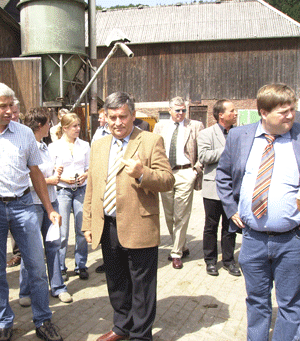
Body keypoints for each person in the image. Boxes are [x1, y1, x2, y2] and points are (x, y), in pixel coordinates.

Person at [0, 82, 63, 341]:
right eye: (3, 106)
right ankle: (5, 322)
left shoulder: (24, 134)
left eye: (12, 105)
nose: (10, 111)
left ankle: (43, 320)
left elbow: (35, 173)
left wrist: (49, 208)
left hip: (23, 206)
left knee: (36, 267)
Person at [83, 92, 174, 341]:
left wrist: (143, 173)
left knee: (142, 287)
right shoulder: (99, 145)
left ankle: (141, 335)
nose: (117, 122)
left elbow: (167, 180)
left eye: (123, 116)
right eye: (112, 117)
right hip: (108, 225)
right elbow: (93, 186)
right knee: (116, 282)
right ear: (105, 117)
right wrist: (87, 222)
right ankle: (121, 326)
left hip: (139, 225)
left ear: (133, 115)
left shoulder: (150, 140)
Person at [216, 83, 300, 341]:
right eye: (283, 112)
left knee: (290, 305)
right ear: (263, 112)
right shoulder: (240, 137)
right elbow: (223, 175)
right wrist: (231, 209)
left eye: (292, 110)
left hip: (292, 240)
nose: (290, 116)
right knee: (257, 301)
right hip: (252, 240)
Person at [19, 107, 72, 305]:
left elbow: (46, 175)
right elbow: (23, 181)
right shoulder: (25, 147)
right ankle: (25, 291)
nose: (51, 126)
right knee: (30, 249)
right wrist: (48, 181)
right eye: (49, 123)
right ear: (40, 126)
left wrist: (54, 173)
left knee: (53, 245)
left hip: (52, 202)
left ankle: (57, 286)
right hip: (32, 204)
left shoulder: (44, 147)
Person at [153, 97, 204, 269]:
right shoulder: (160, 127)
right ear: (170, 111)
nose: (181, 113)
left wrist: (195, 170)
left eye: (183, 110)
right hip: (166, 173)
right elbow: (154, 150)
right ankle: (181, 244)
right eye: (177, 110)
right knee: (169, 214)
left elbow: (203, 150)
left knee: (181, 214)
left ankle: (176, 253)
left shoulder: (195, 126)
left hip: (185, 172)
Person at [198, 100, 241, 277]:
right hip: (213, 187)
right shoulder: (206, 134)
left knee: (230, 226)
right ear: (221, 115)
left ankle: (229, 261)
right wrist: (227, 149)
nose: (236, 113)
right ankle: (210, 260)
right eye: (232, 111)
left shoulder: (239, 133)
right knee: (211, 225)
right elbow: (203, 156)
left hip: (233, 188)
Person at [48, 113, 90, 281]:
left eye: (79, 125)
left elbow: (89, 167)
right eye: (74, 126)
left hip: (80, 190)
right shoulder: (54, 147)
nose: (78, 129)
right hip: (62, 191)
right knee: (62, 232)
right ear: (64, 128)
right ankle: (60, 267)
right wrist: (62, 178)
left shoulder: (85, 145)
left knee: (82, 229)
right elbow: (50, 170)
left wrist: (85, 176)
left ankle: (81, 265)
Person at [7, 96, 22, 268]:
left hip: (21, 194)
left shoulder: (24, 133)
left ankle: (20, 254)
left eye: (16, 112)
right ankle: (16, 254)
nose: (12, 115)